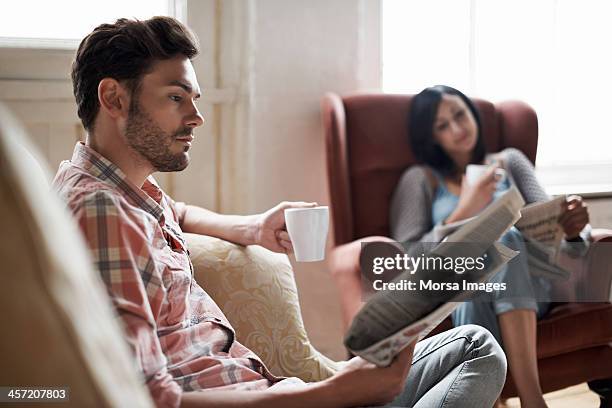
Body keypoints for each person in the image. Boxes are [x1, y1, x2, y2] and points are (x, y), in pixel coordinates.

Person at [53, 19, 507, 408]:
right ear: (113, 98)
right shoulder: (100, 214)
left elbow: (179, 212)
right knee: (476, 355)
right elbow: (145, 399)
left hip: (269, 388)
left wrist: (253, 227)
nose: (196, 117)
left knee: (474, 346)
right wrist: (331, 394)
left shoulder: (122, 191)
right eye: (176, 97)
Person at [390, 85, 591, 408]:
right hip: (462, 290)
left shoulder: (510, 161)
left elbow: (556, 229)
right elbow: (408, 259)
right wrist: (465, 209)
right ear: (431, 137)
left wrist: (573, 231)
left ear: (473, 114)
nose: (457, 129)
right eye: (442, 125)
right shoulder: (419, 180)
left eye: (460, 114)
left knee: (505, 240)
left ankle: (521, 399)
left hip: (531, 288)